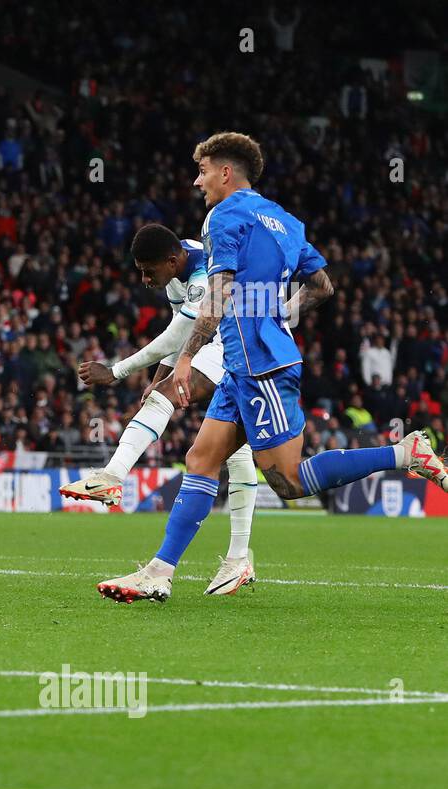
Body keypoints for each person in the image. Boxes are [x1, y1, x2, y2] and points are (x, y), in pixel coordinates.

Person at [98, 132, 448, 603]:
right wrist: (279, 315)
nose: (197, 181)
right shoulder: (285, 222)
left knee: (288, 480)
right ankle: (159, 572)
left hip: (261, 365)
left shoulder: (222, 216)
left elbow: (218, 294)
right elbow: (322, 285)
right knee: (201, 460)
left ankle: (405, 453)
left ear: (226, 173)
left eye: (202, 172)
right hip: (248, 360)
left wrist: (184, 359)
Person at [63, 223, 261, 595]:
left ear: (172, 261)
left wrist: (117, 371)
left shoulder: (203, 275)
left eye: (148, 271)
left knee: (168, 402)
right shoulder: (176, 270)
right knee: (235, 449)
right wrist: (159, 375)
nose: (144, 279)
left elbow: (178, 335)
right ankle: (238, 559)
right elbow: (182, 333)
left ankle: (112, 477)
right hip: (224, 341)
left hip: (244, 343)